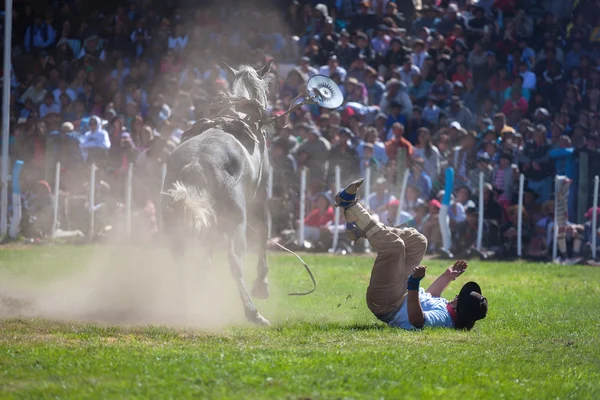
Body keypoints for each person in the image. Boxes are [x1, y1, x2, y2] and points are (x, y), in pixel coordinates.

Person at [334, 178, 488, 330]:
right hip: (400, 291)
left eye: (461, 297)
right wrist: (447, 276)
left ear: (460, 308)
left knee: (395, 247)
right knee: (419, 241)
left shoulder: (444, 318)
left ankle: (352, 206)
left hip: (388, 304)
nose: (457, 295)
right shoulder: (447, 308)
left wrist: (414, 283)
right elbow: (430, 296)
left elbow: (417, 320)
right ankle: (360, 229)